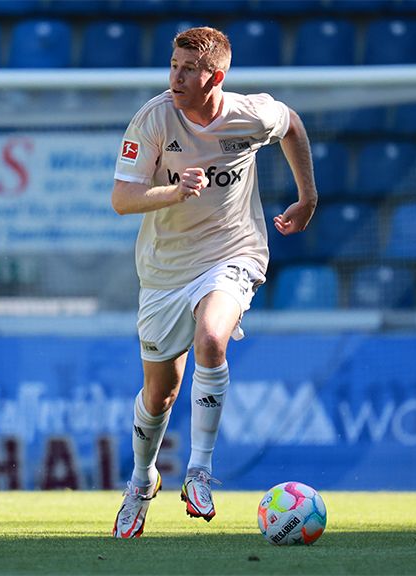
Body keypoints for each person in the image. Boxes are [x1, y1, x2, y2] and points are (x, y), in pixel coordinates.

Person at [110, 26, 318, 539]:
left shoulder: (249, 114)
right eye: (173, 65)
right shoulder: (153, 118)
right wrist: (173, 191)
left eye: (188, 69)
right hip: (164, 270)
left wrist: (307, 195)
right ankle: (141, 480)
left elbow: (290, 122)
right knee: (160, 394)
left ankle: (200, 471)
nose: (176, 76)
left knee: (211, 336)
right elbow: (121, 198)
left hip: (233, 251)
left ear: (215, 77)